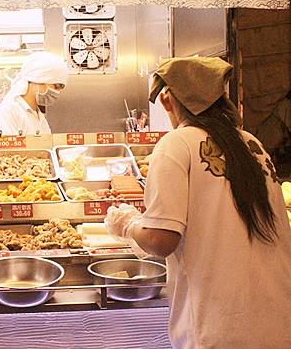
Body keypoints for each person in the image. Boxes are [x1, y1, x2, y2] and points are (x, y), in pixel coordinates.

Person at [105, 57, 291, 348]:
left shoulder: (177, 144)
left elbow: (160, 238)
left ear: (167, 100)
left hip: (219, 329)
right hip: (279, 324)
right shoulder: (251, 144)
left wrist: (127, 224)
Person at [0, 51, 69, 136]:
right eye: (56, 86)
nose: (57, 93)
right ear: (38, 80)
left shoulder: (39, 116)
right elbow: (7, 147)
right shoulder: (8, 111)